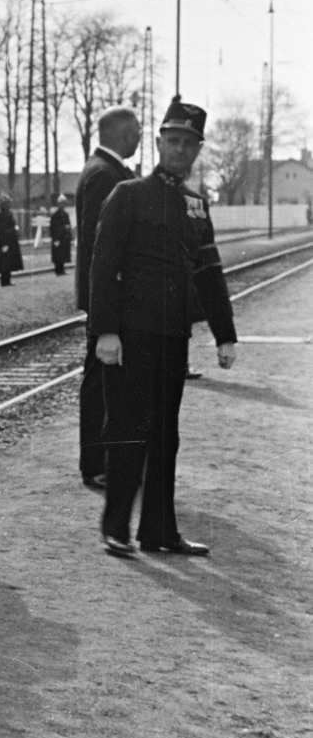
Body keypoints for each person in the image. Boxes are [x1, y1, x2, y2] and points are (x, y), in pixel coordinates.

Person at [90, 97, 238, 558]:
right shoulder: (129, 195)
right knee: (128, 429)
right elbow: (102, 264)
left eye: (188, 143)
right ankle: (116, 527)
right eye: (172, 140)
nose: (179, 149)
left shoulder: (196, 204)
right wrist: (105, 332)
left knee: (165, 435)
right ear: (158, 143)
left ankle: (159, 531)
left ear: (197, 150)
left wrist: (225, 332)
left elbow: (208, 271)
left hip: (173, 336)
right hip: (131, 336)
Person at [75, 106, 141, 488]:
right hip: (109, 299)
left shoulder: (106, 170)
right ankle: (95, 462)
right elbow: (102, 249)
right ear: (122, 134)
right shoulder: (105, 175)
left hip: (110, 297)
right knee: (100, 382)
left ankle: (103, 458)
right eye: (134, 132)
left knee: (105, 380)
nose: (137, 138)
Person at [0, 191, 23, 286]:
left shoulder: (9, 214)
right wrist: (13, 230)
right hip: (5, 241)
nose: (8, 205)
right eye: (6, 203)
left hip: (11, 241)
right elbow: (2, 231)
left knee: (9, 261)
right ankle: (4, 281)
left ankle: (8, 280)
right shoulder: (0, 216)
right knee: (5, 262)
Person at [49, 193, 72, 276]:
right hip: (57, 237)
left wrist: (69, 233)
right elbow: (52, 227)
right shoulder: (55, 215)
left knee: (63, 254)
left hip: (63, 237)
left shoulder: (65, 215)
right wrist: (55, 238)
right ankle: (58, 270)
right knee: (57, 255)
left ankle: (61, 269)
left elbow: (68, 225)